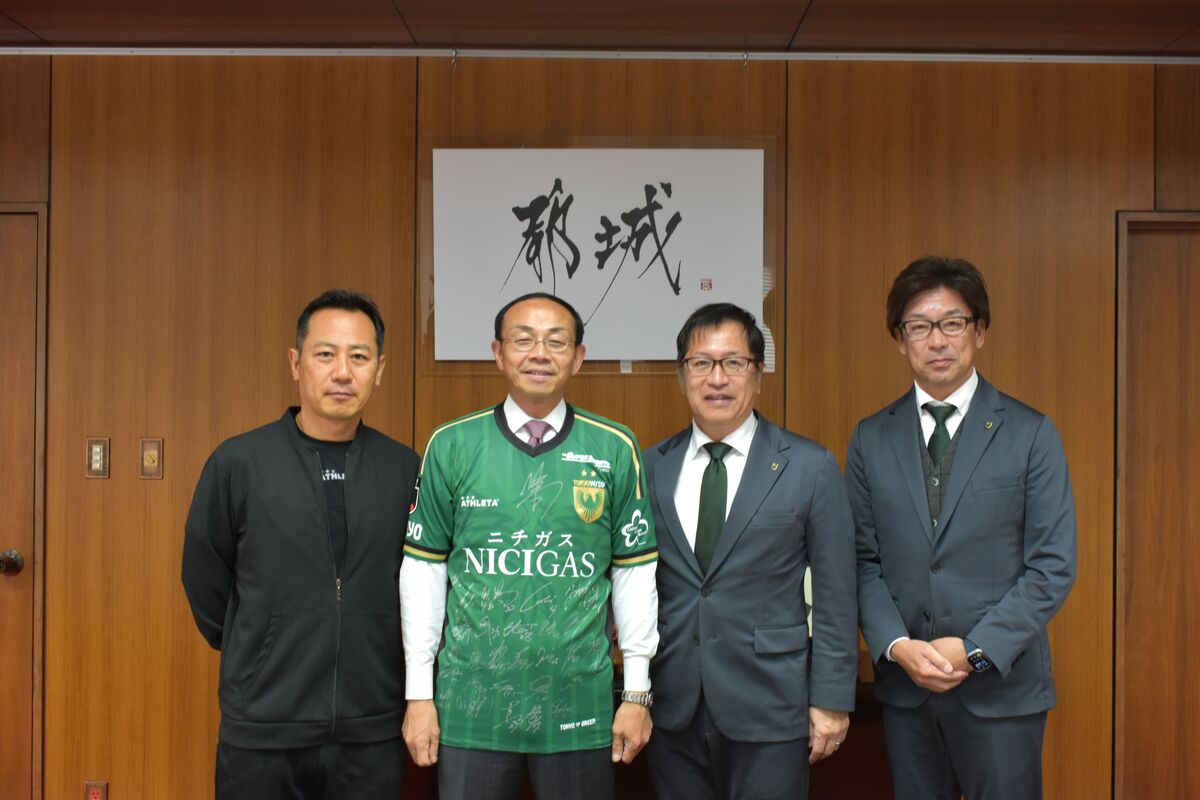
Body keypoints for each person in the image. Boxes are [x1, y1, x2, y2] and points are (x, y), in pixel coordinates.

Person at [398, 291, 659, 800]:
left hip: (579, 707)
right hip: (470, 706)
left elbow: (634, 575)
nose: (540, 353)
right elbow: (423, 573)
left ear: (578, 358)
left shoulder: (613, 446)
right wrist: (418, 694)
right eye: (523, 340)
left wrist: (637, 692)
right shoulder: (451, 444)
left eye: (556, 342)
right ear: (498, 353)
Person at [848, 257, 1077, 800]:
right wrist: (897, 646)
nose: (937, 340)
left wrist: (976, 650)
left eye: (952, 323)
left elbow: (1052, 566)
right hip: (907, 692)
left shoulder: (1030, 433)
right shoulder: (870, 438)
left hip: (1003, 691)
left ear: (979, 332)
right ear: (900, 339)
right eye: (919, 326)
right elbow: (859, 560)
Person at [182, 289, 419, 798]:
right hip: (263, 729)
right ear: (296, 363)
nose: (342, 372)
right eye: (325, 354)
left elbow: (422, 585)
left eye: (359, 357)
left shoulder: (405, 469)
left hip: (371, 727)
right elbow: (205, 578)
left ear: (379, 369)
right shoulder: (239, 463)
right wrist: (262, 644)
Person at [643, 303, 859, 799]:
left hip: (771, 705)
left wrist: (831, 699)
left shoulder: (809, 466)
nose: (717, 378)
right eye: (701, 363)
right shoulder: (651, 466)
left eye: (734, 362)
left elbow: (837, 595)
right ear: (682, 375)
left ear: (758, 375)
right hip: (674, 705)